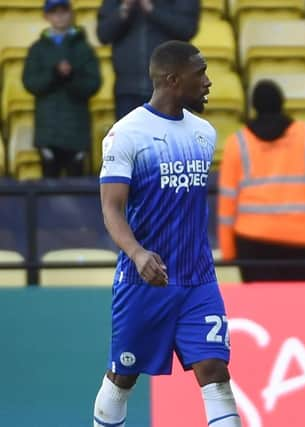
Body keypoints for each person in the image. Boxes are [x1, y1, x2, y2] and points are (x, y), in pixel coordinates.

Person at [94, 40, 241, 427]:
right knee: (123, 377)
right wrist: (138, 254)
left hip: (197, 279)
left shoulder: (204, 133)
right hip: (144, 282)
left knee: (215, 372)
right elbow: (111, 209)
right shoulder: (126, 135)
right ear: (173, 80)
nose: (208, 82)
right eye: (201, 73)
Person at [218, 80, 305, 282]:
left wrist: (229, 252)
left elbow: (227, 205)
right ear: (282, 102)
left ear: (253, 106)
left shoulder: (237, 143)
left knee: (262, 310)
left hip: (253, 246)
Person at [22, 0, 101, 178]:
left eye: (63, 11)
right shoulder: (37, 49)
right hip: (47, 133)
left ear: (71, 14)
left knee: (77, 188)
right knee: (48, 191)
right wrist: (54, 74)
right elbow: (30, 83)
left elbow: (93, 84)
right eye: (54, 11)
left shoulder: (84, 49)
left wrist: (71, 76)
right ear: (46, 16)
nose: (59, 16)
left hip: (77, 132)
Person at [97, 0, 200, 119]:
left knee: (174, 136)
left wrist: (152, 10)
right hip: (129, 90)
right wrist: (125, 8)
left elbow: (187, 28)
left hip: (172, 89)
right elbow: (103, 34)